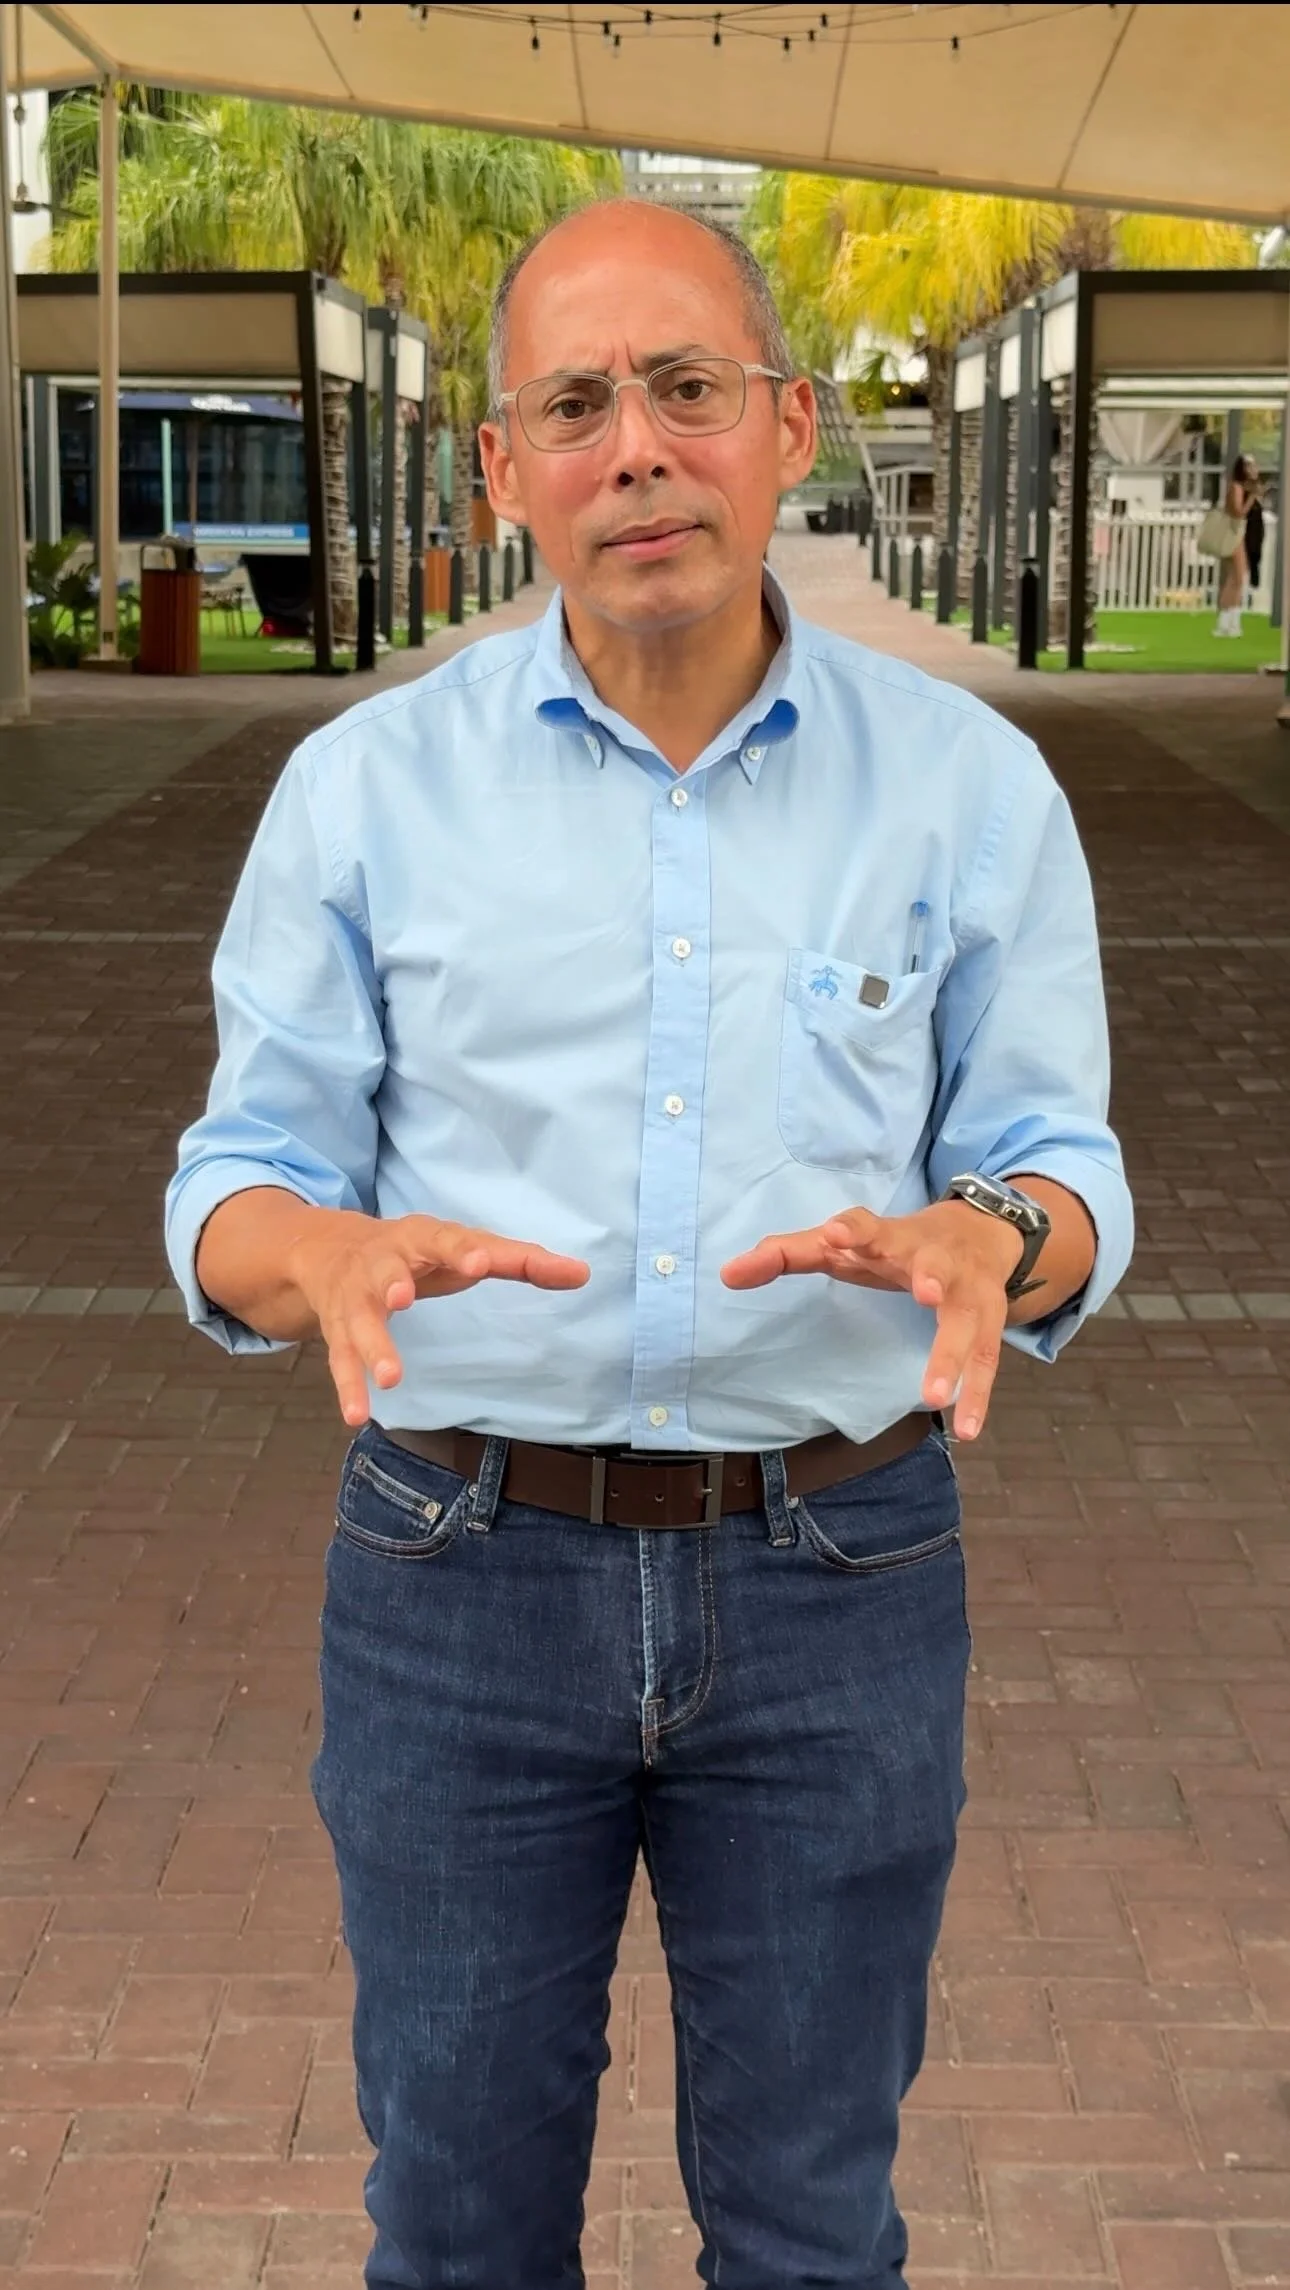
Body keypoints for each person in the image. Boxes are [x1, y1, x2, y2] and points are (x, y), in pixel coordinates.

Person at [165, 200, 1133, 2290]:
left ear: (788, 425)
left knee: (812, 2231)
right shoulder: (363, 792)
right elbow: (239, 1172)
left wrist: (999, 1236)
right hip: (457, 1577)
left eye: (688, 388)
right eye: (576, 404)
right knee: (455, 2221)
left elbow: (1057, 1158)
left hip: (841, 1574)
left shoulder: (970, 792)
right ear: (501, 466)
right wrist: (312, 1257)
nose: (638, 450)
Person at [1215, 452, 1257, 635]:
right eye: (1250, 466)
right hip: (1233, 534)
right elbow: (1239, 512)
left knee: (1234, 579)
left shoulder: (1238, 486)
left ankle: (1225, 623)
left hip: (1234, 534)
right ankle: (1231, 623)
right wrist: (1252, 498)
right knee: (1238, 578)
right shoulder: (1237, 487)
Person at [1243, 459, 1265, 606]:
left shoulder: (1256, 486)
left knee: (1255, 560)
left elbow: (1260, 497)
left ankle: (1253, 591)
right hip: (1248, 530)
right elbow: (1243, 510)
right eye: (1251, 468)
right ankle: (1247, 594)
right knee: (1248, 559)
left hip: (1257, 530)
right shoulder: (1244, 488)